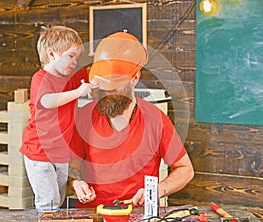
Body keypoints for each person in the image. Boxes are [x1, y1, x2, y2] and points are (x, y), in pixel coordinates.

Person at [68, 32, 194, 208]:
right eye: (102, 87)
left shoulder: (156, 120)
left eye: (113, 87)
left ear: (135, 78)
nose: (106, 93)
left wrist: (158, 190)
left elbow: (185, 169)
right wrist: (76, 183)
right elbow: (72, 167)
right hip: (92, 215)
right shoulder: (84, 117)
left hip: (138, 215)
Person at [19, 25, 98, 210]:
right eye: (71, 56)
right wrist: (78, 92)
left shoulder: (67, 78)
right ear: (53, 55)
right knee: (49, 203)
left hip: (61, 153)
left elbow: (92, 71)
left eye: (76, 57)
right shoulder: (40, 79)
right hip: (40, 152)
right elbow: (47, 101)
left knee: (58, 200)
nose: (74, 62)